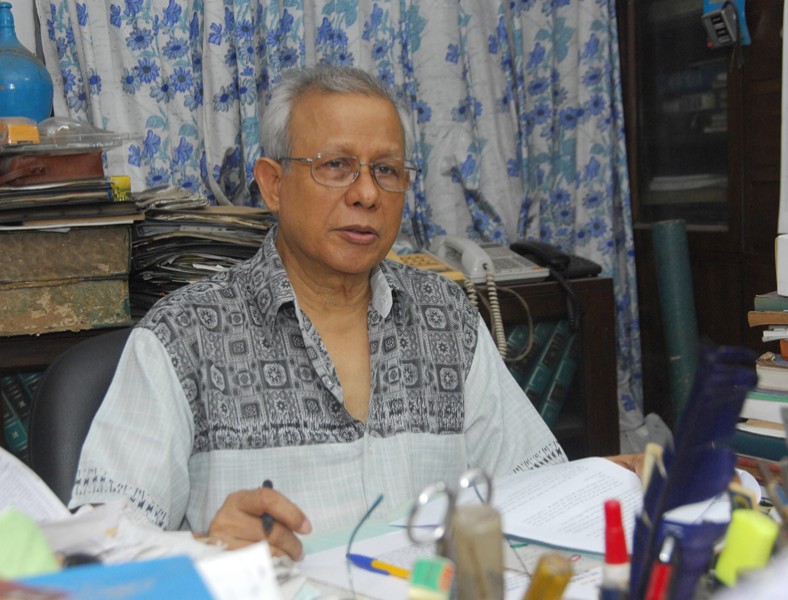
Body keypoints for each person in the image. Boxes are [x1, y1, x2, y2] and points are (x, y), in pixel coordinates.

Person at [69, 64, 568, 561]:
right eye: (336, 166)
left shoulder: (447, 319)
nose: (367, 194)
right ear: (273, 184)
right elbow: (96, 546)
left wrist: (608, 484)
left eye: (387, 170)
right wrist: (205, 547)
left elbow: (539, 496)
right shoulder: (185, 335)